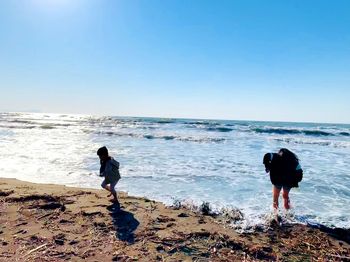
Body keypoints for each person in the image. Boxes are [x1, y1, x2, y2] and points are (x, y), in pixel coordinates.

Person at [263, 148, 303, 213]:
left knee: (275, 197)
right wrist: (296, 181)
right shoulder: (294, 161)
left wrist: (267, 166)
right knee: (285, 196)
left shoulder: (276, 157)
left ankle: (276, 214)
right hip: (288, 181)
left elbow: (267, 155)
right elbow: (300, 172)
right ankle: (287, 213)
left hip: (277, 180)